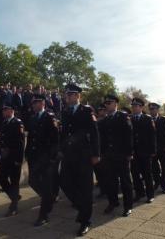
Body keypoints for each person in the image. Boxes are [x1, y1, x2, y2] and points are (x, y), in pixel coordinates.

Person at [59, 84, 100, 237]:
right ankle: (82, 206)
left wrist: (96, 154)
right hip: (69, 155)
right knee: (64, 181)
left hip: (84, 155)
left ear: (77, 96)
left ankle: (85, 221)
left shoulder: (87, 111)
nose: (67, 97)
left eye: (70, 95)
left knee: (85, 188)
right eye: (66, 95)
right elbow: (63, 133)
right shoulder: (64, 112)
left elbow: (94, 133)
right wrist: (61, 150)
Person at [25, 94, 59, 226]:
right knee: (32, 181)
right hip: (34, 157)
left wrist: (52, 157)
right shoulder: (32, 118)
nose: (34, 105)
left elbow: (55, 139)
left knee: (45, 185)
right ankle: (49, 197)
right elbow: (31, 137)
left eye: (36, 103)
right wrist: (27, 152)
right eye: (33, 103)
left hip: (46, 158)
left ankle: (44, 215)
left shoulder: (50, 117)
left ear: (43, 103)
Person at [99, 95, 134, 217]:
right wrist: (102, 154)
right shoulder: (104, 120)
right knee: (110, 181)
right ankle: (113, 202)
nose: (107, 105)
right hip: (108, 156)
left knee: (125, 182)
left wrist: (129, 153)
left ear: (116, 104)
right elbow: (102, 139)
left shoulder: (123, 116)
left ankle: (128, 205)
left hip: (122, 155)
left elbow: (129, 135)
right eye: (106, 103)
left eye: (110, 102)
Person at [0, 105, 25, 217]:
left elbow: (21, 143)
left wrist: (19, 159)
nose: (3, 112)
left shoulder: (18, 123)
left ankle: (14, 207)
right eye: (3, 110)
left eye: (5, 110)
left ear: (12, 111)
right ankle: (15, 197)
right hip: (4, 156)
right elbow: (1, 140)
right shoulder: (4, 122)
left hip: (14, 157)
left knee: (14, 182)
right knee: (1, 178)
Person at [130, 98, 157, 204]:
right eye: (133, 106)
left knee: (147, 174)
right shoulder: (130, 119)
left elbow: (152, 135)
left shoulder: (148, 119)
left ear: (141, 107)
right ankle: (139, 193)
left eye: (136, 106)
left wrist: (153, 150)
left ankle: (150, 195)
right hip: (134, 152)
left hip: (145, 151)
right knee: (135, 174)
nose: (134, 108)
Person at [148, 102, 165, 194]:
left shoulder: (164, 120)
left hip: (163, 148)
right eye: (150, 109)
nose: (152, 111)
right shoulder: (148, 120)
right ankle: (157, 182)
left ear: (157, 110)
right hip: (153, 149)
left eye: (153, 109)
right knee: (154, 168)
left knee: (164, 167)